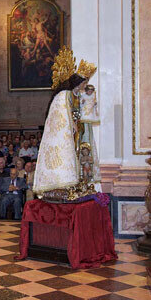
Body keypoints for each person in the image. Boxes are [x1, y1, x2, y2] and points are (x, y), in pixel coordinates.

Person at [34, 50, 99, 194]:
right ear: (79, 82)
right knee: (69, 152)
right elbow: (62, 114)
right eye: (84, 81)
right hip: (69, 129)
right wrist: (72, 124)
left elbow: (84, 110)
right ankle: (66, 182)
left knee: (79, 153)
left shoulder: (77, 94)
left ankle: (78, 181)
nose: (85, 84)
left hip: (77, 128)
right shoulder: (64, 95)